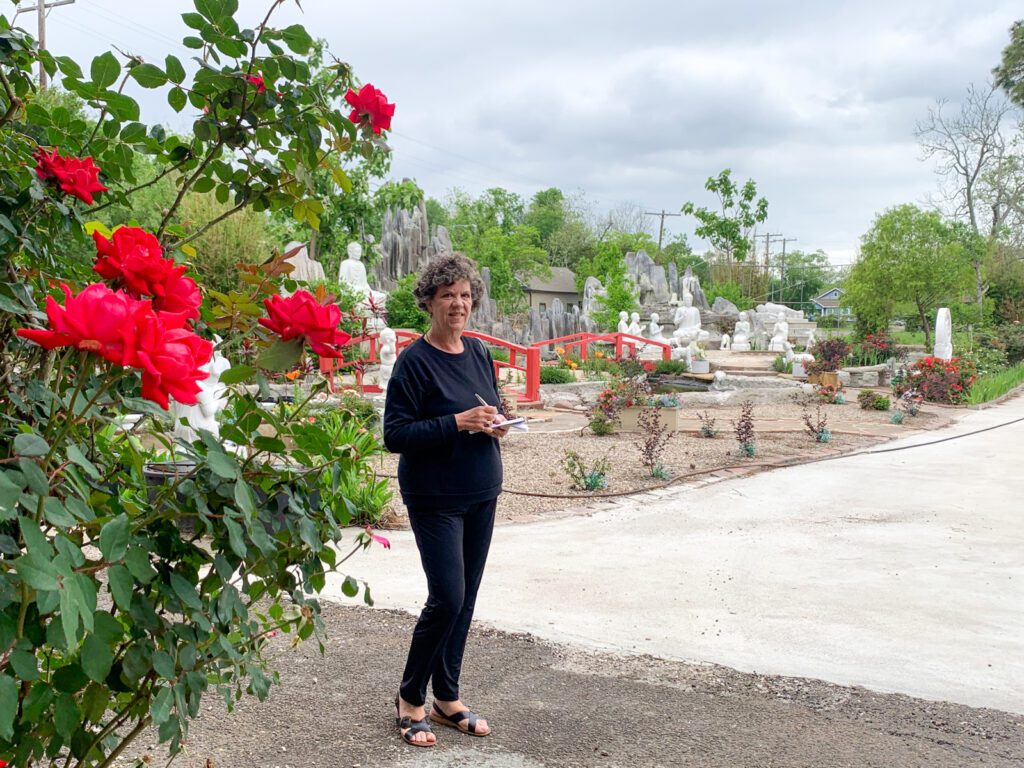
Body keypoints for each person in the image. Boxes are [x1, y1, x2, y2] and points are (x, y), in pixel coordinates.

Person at [383, 253, 509, 748]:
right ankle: (410, 696)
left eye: (464, 295)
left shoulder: (478, 353)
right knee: (447, 597)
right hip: (434, 497)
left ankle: (447, 697)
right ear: (429, 302)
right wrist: (457, 421)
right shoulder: (414, 362)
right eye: (447, 295)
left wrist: (501, 420)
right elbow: (395, 434)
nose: (458, 303)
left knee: (467, 599)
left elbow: (488, 410)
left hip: (482, 490)